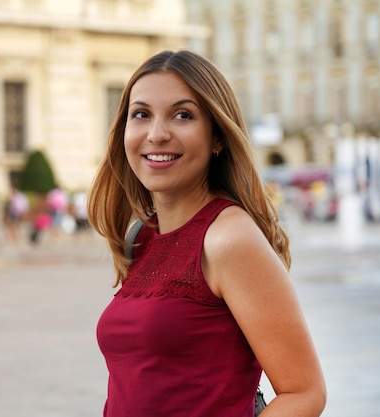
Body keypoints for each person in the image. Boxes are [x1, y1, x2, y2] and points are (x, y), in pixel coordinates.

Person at [87, 50, 326, 417]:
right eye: (141, 114)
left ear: (217, 137)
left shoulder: (228, 237)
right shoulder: (142, 237)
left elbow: (304, 393)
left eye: (183, 115)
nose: (157, 133)